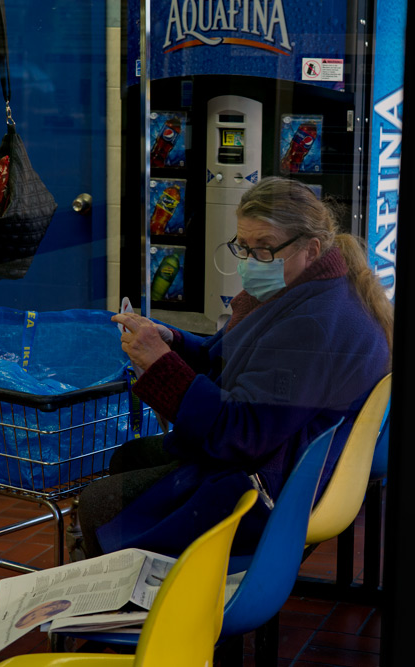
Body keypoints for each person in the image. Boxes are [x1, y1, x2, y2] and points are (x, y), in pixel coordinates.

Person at [76, 176, 393, 559]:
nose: (249, 262)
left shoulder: (311, 325)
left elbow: (241, 432)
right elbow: (224, 357)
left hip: (273, 483)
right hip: (283, 454)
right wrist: (170, 340)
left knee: (98, 506)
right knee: (129, 457)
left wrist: (160, 365)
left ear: (310, 249)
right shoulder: (306, 289)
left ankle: (126, 602)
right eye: (242, 247)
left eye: (264, 249)